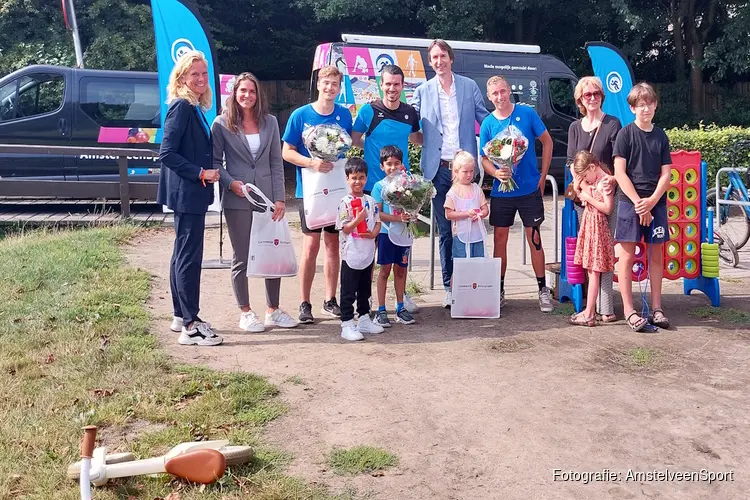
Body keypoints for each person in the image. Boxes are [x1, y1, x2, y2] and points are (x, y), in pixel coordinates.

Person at [211, 72, 298, 333]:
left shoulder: (270, 122)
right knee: (242, 256)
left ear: (258, 95)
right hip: (237, 199)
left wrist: (280, 198)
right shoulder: (221, 124)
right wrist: (230, 183)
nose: (247, 95)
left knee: (270, 252)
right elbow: (216, 163)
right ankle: (246, 312)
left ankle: (273, 310)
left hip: (267, 199)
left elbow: (275, 161)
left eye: (251, 91)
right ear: (234, 94)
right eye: (242, 91)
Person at [410, 39, 489, 308]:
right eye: (434, 57)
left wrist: (506, 135)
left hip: (465, 168)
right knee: (446, 231)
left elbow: (485, 118)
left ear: (451, 58)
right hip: (438, 170)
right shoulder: (422, 91)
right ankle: (450, 286)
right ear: (430, 62)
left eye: (443, 55)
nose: (439, 61)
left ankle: (475, 284)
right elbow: (410, 126)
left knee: (473, 226)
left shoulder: (468, 86)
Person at [158, 50, 223, 346]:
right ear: (182, 77)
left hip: (189, 194)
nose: (200, 79)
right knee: (189, 257)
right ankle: (191, 324)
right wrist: (201, 173)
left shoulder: (194, 107)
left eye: (203, 74)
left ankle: (179, 314)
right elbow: (167, 153)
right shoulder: (182, 107)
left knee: (181, 254)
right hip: (188, 193)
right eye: (194, 74)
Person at [282, 65, 352, 324]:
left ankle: (330, 299)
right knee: (310, 246)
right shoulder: (301, 115)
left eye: (335, 83)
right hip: (309, 190)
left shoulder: (344, 116)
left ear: (339, 87)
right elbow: (286, 151)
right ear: (319, 84)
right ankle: (304, 302)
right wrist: (311, 163)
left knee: (333, 245)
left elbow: (347, 148)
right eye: (326, 83)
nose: (330, 87)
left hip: (335, 190)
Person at [479, 75, 554, 313]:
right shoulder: (488, 123)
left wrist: (542, 177)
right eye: (494, 94)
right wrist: (495, 173)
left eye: (502, 91)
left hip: (529, 190)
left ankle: (542, 290)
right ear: (489, 97)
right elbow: (484, 157)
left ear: (509, 90)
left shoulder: (527, 114)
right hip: (502, 193)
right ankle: (499, 290)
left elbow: (547, 142)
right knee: (499, 239)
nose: (499, 97)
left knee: (535, 239)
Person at [352, 64, 422, 314]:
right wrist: (375, 157)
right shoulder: (368, 111)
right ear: (381, 85)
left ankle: (402, 299)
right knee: (372, 246)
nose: (392, 89)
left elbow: (416, 138)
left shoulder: (411, 113)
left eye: (396, 84)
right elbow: (354, 139)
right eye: (388, 84)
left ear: (403, 86)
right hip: (374, 187)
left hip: (403, 189)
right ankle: (368, 298)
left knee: (402, 243)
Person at [613, 82, 672, 332]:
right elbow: (619, 172)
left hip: (655, 204)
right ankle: (629, 310)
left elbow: (666, 174)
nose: (645, 108)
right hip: (630, 203)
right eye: (640, 105)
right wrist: (640, 203)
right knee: (625, 257)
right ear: (632, 107)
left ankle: (657, 308)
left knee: (656, 255)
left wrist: (651, 202)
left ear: (655, 105)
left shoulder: (661, 136)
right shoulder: (625, 134)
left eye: (649, 103)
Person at [567, 76, 621, 323]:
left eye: (596, 93)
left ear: (602, 95)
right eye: (587, 95)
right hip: (583, 199)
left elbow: (619, 159)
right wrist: (579, 188)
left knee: (604, 250)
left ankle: (606, 307)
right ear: (580, 99)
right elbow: (571, 162)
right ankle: (592, 306)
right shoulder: (574, 127)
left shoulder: (612, 124)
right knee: (589, 253)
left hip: (605, 193)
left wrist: (612, 180)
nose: (592, 98)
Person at [335, 158, 383, 341]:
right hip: (351, 253)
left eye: (361, 177)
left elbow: (378, 222)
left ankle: (364, 317)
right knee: (348, 289)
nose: (358, 181)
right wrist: (358, 218)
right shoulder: (345, 202)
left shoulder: (370, 200)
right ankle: (346, 322)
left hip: (367, 252)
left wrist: (373, 234)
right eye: (354, 177)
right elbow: (345, 228)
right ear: (347, 179)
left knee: (365, 287)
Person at [568, 151, 616, 326]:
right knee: (590, 269)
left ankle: (589, 313)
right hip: (590, 224)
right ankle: (589, 310)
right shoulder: (591, 178)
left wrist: (587, 197)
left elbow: (608, 208)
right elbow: (574, 176)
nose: (585, 180)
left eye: (586, 176)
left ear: (593, 167)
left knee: (594, 270)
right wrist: (582, 185)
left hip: (597, 227)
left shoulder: (604, 182)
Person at [371, 145, 416, 328]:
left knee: (401, 270)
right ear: (382, 166)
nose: (393, 167)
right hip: (385, 234)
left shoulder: (408, 184)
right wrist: (397, 218)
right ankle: (381, 309)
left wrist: (411, 214)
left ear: (402, 164)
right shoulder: (379, 187)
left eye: (397, 163)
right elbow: (377, 214)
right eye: (389, 164)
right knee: (384, 271)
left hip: (403, 234)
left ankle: (400, 307)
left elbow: (414, 205)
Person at [445, 150, 489, 283]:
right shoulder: (453, 191)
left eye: (471, 171)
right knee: (460, 267)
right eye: (465, 172)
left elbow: (485, 209)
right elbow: (448, 214)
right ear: (456, 171)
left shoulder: (476, 188)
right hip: (461, 236)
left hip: (477, 235)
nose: (469, 175)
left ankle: (475, 294)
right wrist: (465, 214)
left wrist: (480, 214)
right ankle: (455, 296)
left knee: (478, 265)